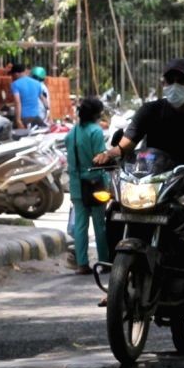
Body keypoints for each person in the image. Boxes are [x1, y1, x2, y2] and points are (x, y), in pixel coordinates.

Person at [93, 58, 184, 316]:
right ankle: (117, 281)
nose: (175, 85)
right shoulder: (149, 111)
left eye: (182, 80)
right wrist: (110, 154)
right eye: (171, 80)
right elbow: (126, 144)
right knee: (113, 210)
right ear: (163, 83)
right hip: (154, 185)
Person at [66, 97, 110, 275]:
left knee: (81, 225)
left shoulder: (72, 133)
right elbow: (100, 157)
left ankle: (82, 264)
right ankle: (105, 262)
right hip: (96, 183)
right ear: (96, 114)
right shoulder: (96, 132)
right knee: (100, 224)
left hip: (77, 184)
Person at [10, 63, 47, 129]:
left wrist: (18, 120)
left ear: (16, 74)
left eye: (12, 75)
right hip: (36, 118)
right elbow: (44, 100)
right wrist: (49, 115)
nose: (12, 77)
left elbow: (17, 102)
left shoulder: (15, 84)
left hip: (23, 118)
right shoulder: (37, 83)